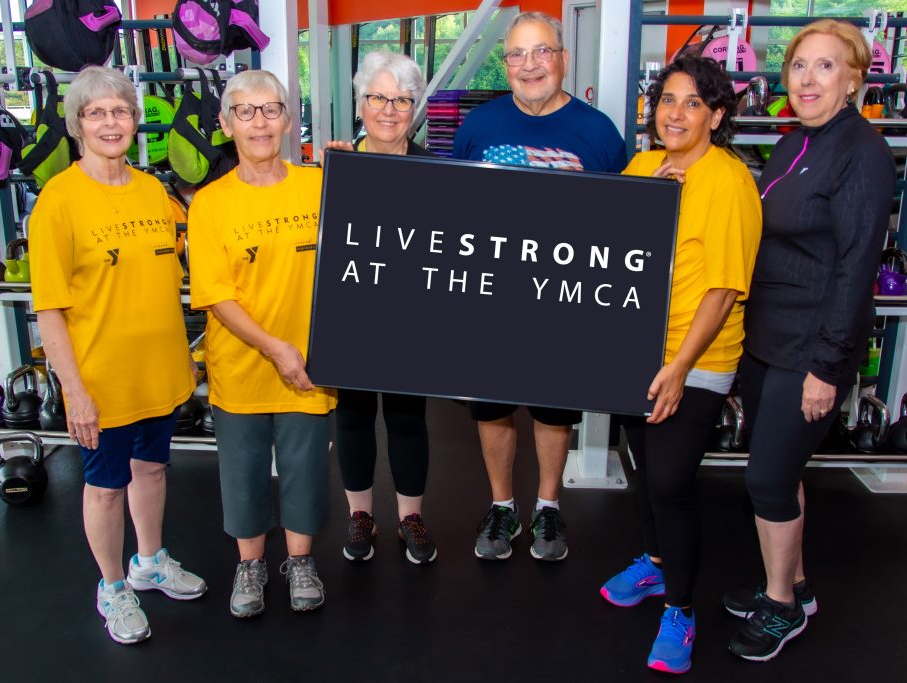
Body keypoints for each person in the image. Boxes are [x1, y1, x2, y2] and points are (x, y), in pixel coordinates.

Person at [724, 19, 895, 661]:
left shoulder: (862, 151)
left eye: (826, 66)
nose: (808, 79)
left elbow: (856, 267)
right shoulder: (793, 142)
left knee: (767, 479)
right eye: (799, 66)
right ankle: (795, 583)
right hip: (769, 337)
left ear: (853, 79)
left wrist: (827, 366)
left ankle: (781, 606)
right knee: (782, 470)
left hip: (813, 345)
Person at [596, 56, 761, 674]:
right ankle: (656, 563)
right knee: (643, 467)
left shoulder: (729, 181)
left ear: (716, 117)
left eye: (694, 103)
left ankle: (681, 610)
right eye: (668, 99)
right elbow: (602, 244)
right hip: (635, 347)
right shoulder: (644, 166)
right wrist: (649, 200)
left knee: (670, 482)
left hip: (697, 358)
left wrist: (680, 367)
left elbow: (724, 289)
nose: (676, 113)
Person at [30, 66, 205, 645]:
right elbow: (50, 308)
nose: (111, 122)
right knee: (105, 487)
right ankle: (111, 587)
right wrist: (74, 390)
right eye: (97, 113)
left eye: (121, 111)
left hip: (158, 369)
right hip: (100, 378)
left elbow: (173, 276)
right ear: (77, 124)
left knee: (150, 468)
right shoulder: (58, 201)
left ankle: (149, 562)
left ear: (135, 120)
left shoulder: (154, 191)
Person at [452, 11, 627, 561]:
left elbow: (626, 223)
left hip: (565, 305)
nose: (530, 65)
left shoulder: (598, 132)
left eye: (542, 52)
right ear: (505, 64)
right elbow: (449, 212)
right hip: (490, 303)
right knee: (493, 408)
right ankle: (502, 505)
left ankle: (548, 506)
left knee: (554, 411)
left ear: (563, 60)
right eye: (517, 54)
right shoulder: (477, 128)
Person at [188, 70, 337, 618]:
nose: (259, 123)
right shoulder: (209, 204)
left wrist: (357, 166)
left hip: (312, 363)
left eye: (271, 109)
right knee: (243, 473)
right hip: (243, 363)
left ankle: (300, 561)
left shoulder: (320, 185)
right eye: (245, 112)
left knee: (305, 470)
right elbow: (216, 297)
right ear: (226, 124)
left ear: (289, 119)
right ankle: (249, 565)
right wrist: (275, 348)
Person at [323, 50, 437, 565]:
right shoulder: (336, 166)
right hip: (352, 314)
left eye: (401, 100)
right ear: (359, 103)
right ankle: (361, 516)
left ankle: (411, 517)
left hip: (412, 318)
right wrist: (330, 173)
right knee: (353, 414)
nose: (389, 110)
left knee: (408, 417)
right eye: (378, 98)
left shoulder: (436, 172)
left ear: (414, 108)